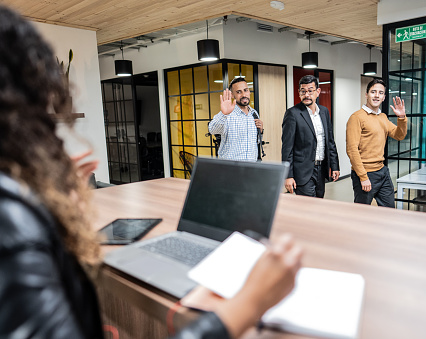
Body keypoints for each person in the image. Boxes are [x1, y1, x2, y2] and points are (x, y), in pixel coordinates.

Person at [0, 5, 302, 339]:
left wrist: (54, 206)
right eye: (45, 125)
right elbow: (214, 129)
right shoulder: (11, 221)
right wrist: (250, 302)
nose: (53, 142)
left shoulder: (254, 114)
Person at [346, 79, 407, 207]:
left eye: (380, 93)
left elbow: (399, 135)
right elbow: (352, 150)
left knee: (388, 210)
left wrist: (401, 118)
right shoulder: (356, 117)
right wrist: (363, 177)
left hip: (382, 171)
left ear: (384, 97)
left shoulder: (383, 117)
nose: (376, 95)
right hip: (365, 173)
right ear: (366, 94)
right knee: (361, 213)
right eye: (373, 92)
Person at [281, 75, 340, 198]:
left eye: (310, 91)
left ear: (318, 92)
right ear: (299, 93)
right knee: (307, 208)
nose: (306, 95)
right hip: (303, 172)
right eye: (303, 91)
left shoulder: (324, 112)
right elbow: (287, 148)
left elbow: (330, 141)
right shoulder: (293, 113)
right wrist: (288, 175)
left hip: (321, 169)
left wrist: (334, 166)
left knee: (318, 204)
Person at [208, 77, 263, 161]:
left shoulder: (254, 113)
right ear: (232, 95)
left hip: (251, 167)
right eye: (238, 92)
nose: (244, 95)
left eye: (246, 90)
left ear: (249, 91)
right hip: (231, 169)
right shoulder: (228, 115)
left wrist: (260, 131)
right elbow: (212, 129)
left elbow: (255, 142)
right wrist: (223, 114)